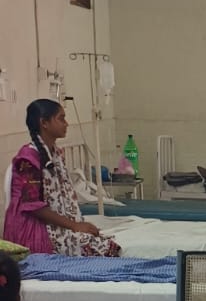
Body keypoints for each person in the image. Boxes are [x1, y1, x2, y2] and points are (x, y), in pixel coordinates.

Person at [4, 100, 121, 257]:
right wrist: (74, 226)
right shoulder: (28, 159)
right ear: (44, 123)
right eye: (61, 118)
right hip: (34, 230)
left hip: (57, 225)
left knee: (106, 244)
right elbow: (32, 205)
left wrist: (77, 224)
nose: (66, 123)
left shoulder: (56, 155)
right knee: (102, 249)